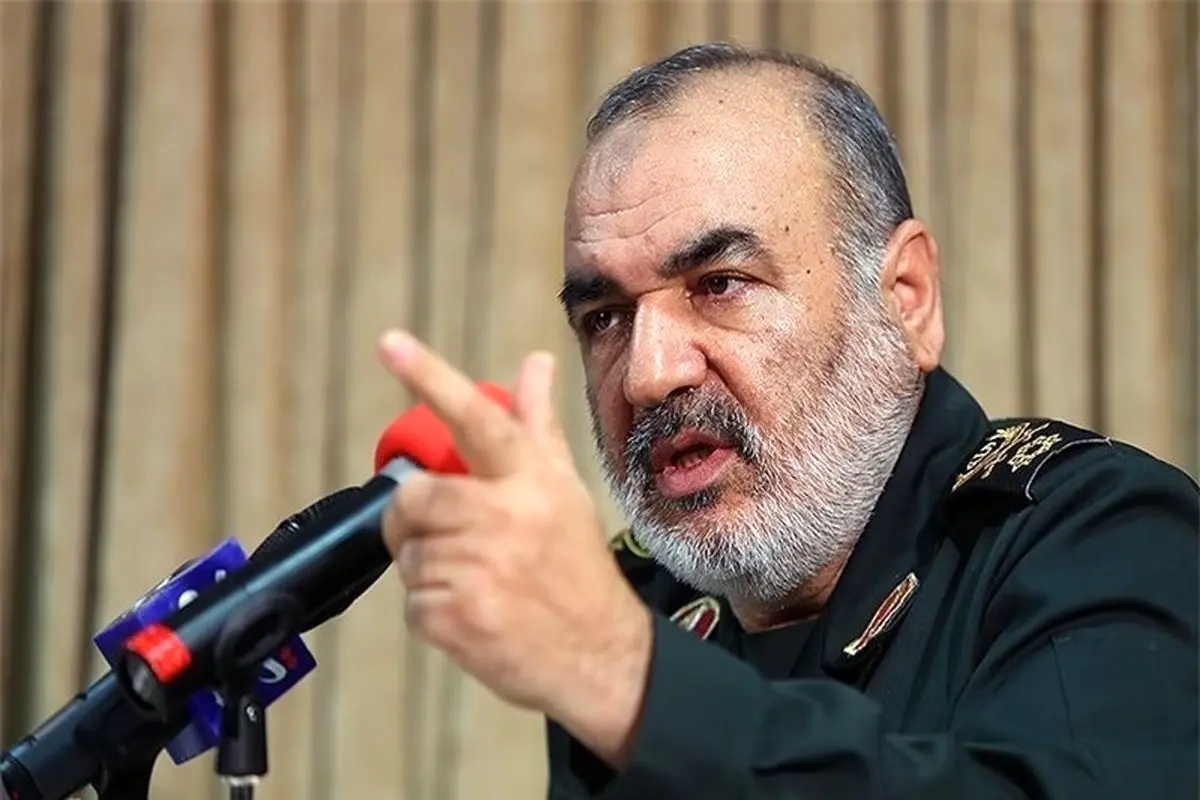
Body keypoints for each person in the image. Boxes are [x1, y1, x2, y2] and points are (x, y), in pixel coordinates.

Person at [375, 43, 1199, 799]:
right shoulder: (641, 600)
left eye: (720, 284)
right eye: (606, 318)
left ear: (906, 299)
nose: (649, 373)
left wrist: (627, 677)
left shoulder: (1104, 534)